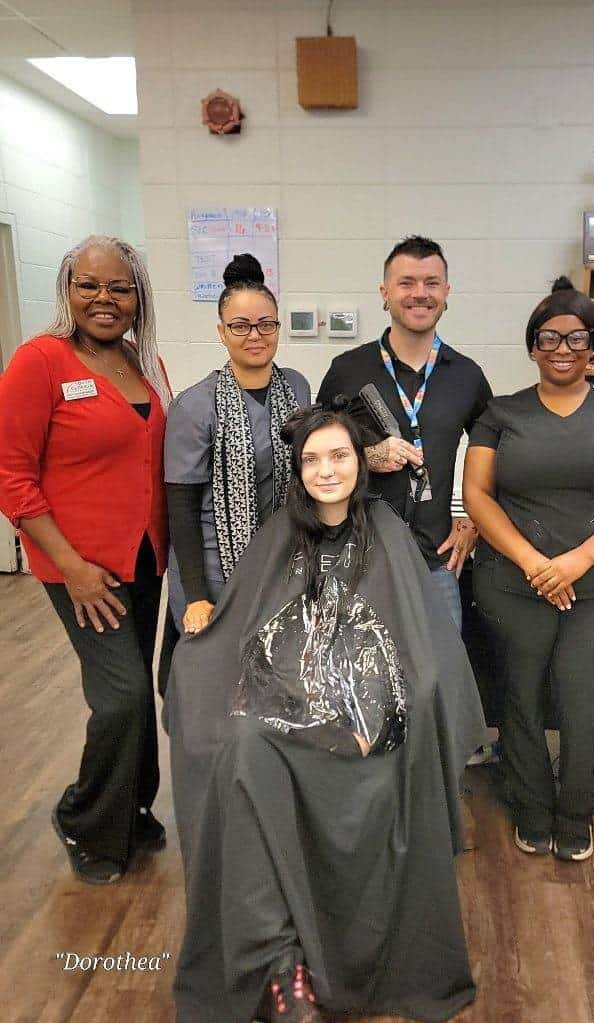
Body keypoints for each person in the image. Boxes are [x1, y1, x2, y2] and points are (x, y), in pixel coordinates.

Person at [165, 400, 486, 1023]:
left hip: (369, 713)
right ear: (299, 469)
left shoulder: (387, 531)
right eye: (312, 460)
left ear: (358, 465)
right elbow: (248, 629)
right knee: (244, 748)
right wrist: (203, 649)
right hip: (283, 707)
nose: (326, 471)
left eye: (338, 456)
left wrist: (395, 703)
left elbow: (418, 642)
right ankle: (280, 965)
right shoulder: (279, 532)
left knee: (400, 729)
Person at [463, 277, 594, 861]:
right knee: (520, 699)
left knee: (588, 700)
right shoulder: (502, 412)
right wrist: (532, 562)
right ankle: (532, 807)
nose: (562, 349)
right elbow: (478, 494)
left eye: (576, 339)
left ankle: (576, 812)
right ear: (532, 346)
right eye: (549, 337)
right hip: (514, 582)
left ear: (593, 347)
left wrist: (578, 560)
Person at [0, 235, 170, 884]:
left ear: (137, 297)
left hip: (146, 557)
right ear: (68, 290)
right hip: (81, 567)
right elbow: (11, 475)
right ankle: (87, 819)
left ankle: (134, 807)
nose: (104, 298)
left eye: (119, 287)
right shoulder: (39, 361)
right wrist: (69, 564)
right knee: (121, 695)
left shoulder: (142, 362)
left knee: (138, 692)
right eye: (89, 285)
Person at [316, 236, 492, 630]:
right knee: (360, 684)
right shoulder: (347, 370)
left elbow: (496, 456)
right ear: (385, 293)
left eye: (432, 283)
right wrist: (367, 458)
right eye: (406, 283)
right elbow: (312, 457)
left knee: (440, 681)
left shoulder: (467, 376)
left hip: (437, 563)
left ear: (447, 293)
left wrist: (476, 522)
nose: (420, 294)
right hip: (357, 561)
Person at [164, 254, 310, 635]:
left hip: (281, 563)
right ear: (222, 331)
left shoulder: (297, 388)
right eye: (241, 326)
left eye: (265, 324)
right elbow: (181, 508)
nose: (255, 336)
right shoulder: (194, 405)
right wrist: (196, 594)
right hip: (214, 570)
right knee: (216, 676)